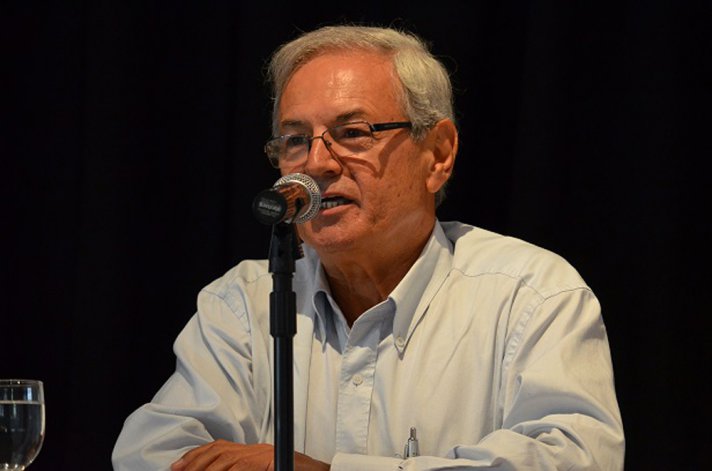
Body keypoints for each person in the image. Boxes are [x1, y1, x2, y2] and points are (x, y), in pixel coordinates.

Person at [112, 25, 624, 470]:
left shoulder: (532, 297)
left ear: (438, 154)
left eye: (353, 133)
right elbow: (150, 452)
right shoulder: (243, 304)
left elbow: (574, 460)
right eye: (295, 139)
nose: (316, 163)